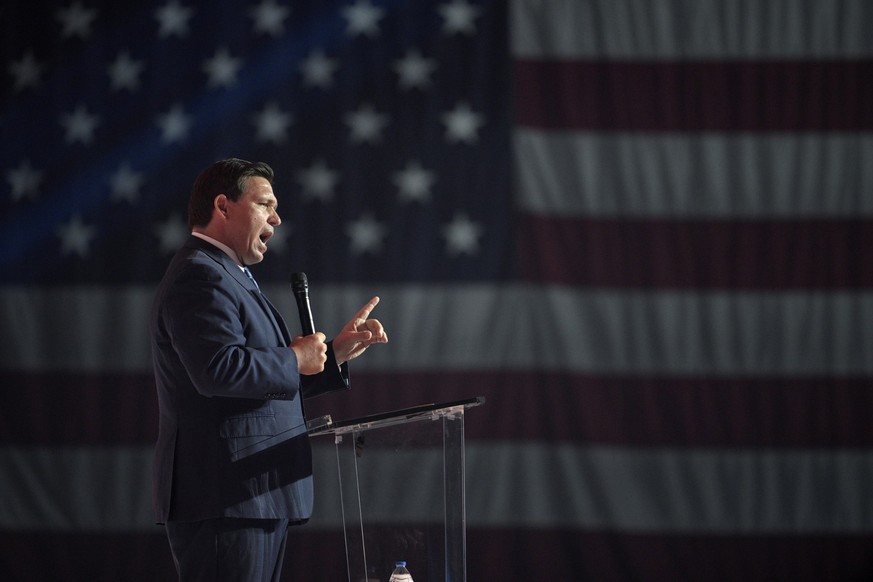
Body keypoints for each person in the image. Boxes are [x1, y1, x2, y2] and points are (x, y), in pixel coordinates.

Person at [150, 158, 388, 581]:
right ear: (223, 206)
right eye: (265, 204)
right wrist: (297, 357)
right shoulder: (200, 276)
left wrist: (332, 355)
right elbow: (218, 370)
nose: (277, 218)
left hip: (252, 495)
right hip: (226, 497)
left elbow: (256, 384)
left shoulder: (229, 275)